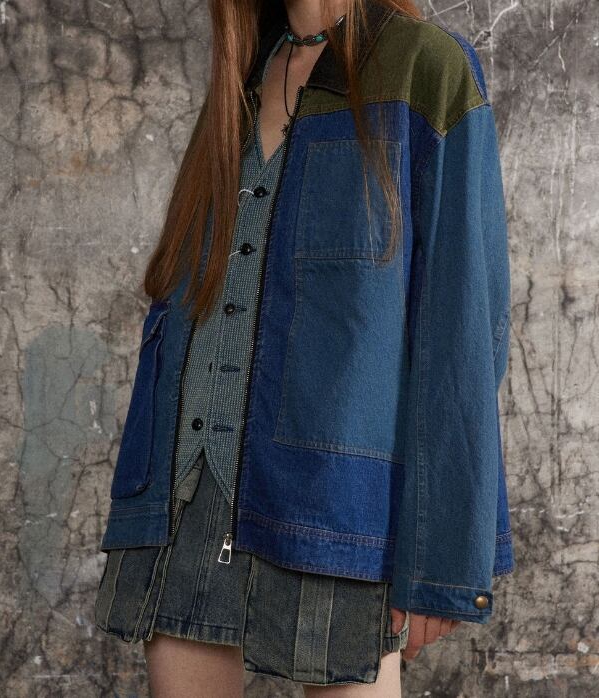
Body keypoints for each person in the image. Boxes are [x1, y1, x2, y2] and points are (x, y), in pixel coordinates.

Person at [94, 0, 514, 695]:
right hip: (189, 490)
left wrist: (444, 556)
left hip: (342, 508)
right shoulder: (245, 74)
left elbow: (464, 331)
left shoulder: (426, 67)